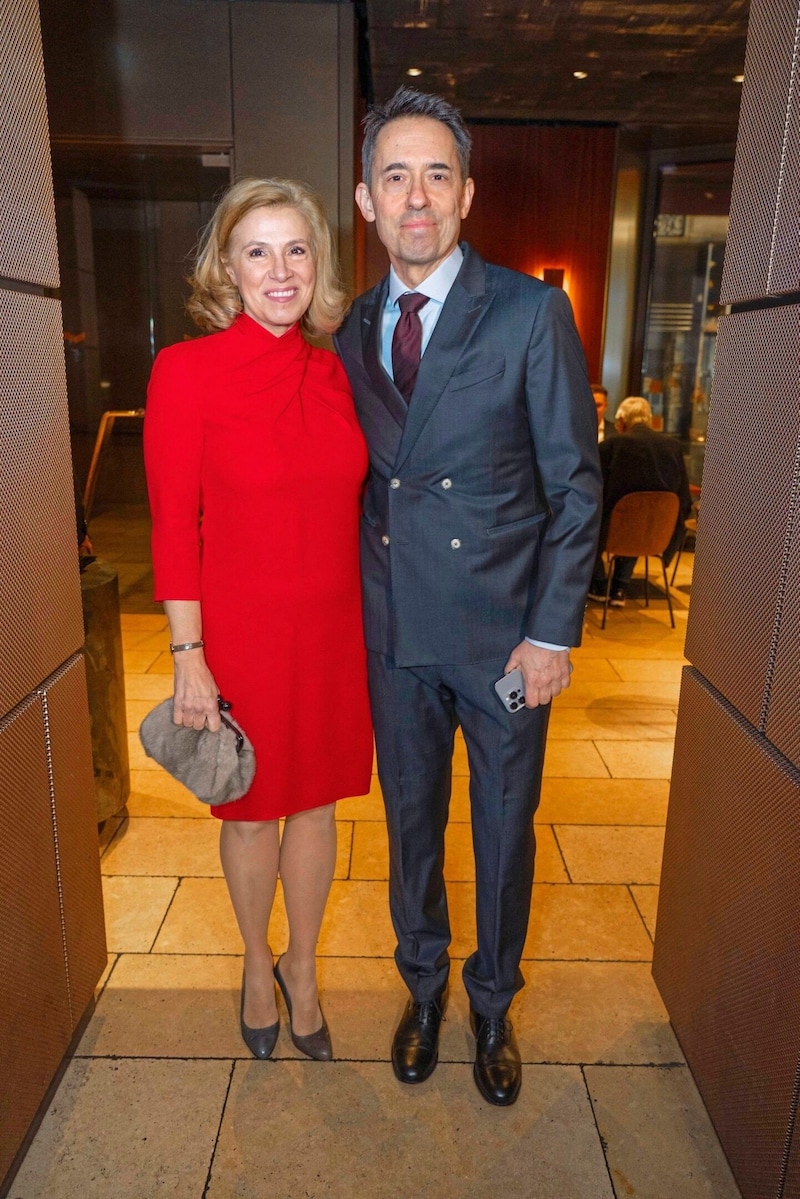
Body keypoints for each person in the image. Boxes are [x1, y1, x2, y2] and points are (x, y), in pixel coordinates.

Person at [335, 88, 601, 1106]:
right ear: (364, 199)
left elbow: (573, 483)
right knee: (409, 828)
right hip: (395, 628)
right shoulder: (354, 325)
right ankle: (422, 989)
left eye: (435, 175)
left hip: (500, 639)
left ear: (466, 194)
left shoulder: (529, 311)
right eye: (394, 176)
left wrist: (548, 634)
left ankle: (490, 1003)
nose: (415, 197)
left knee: (499, 827)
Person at [143, 178, 373, 1063]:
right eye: (257, 251)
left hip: (330, 633)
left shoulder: (337, 369)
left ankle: (303, 968)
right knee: (249, 814)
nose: (280, 271)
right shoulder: (188, 372)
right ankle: (252, 964)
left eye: (296, 249)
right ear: (228, 269)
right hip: (237, 632)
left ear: (318, 264)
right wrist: (188, 654)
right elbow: (172, 523)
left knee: (316, 812)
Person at [587, 395, 692, 607]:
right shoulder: (672, 447)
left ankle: (599, 583)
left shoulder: (611, 446)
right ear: (648, 419)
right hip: (656, 532)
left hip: (612, 531)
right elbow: (684, 497)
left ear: (622, 421)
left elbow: (591, 490)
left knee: (589, 519)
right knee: (640, 519)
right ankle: (620, 585)